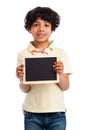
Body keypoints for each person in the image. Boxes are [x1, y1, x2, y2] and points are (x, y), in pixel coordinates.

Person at [16, 6, 72, 130]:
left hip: (56, 111)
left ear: (52, 28)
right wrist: (21, 78)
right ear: (29, 28)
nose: (41, 29)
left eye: (46, 25)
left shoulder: (60, 53)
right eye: (36, 24)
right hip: (32, 112)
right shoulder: (23, 54)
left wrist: (61, 73)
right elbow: (25, 89)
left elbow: (66, 86)